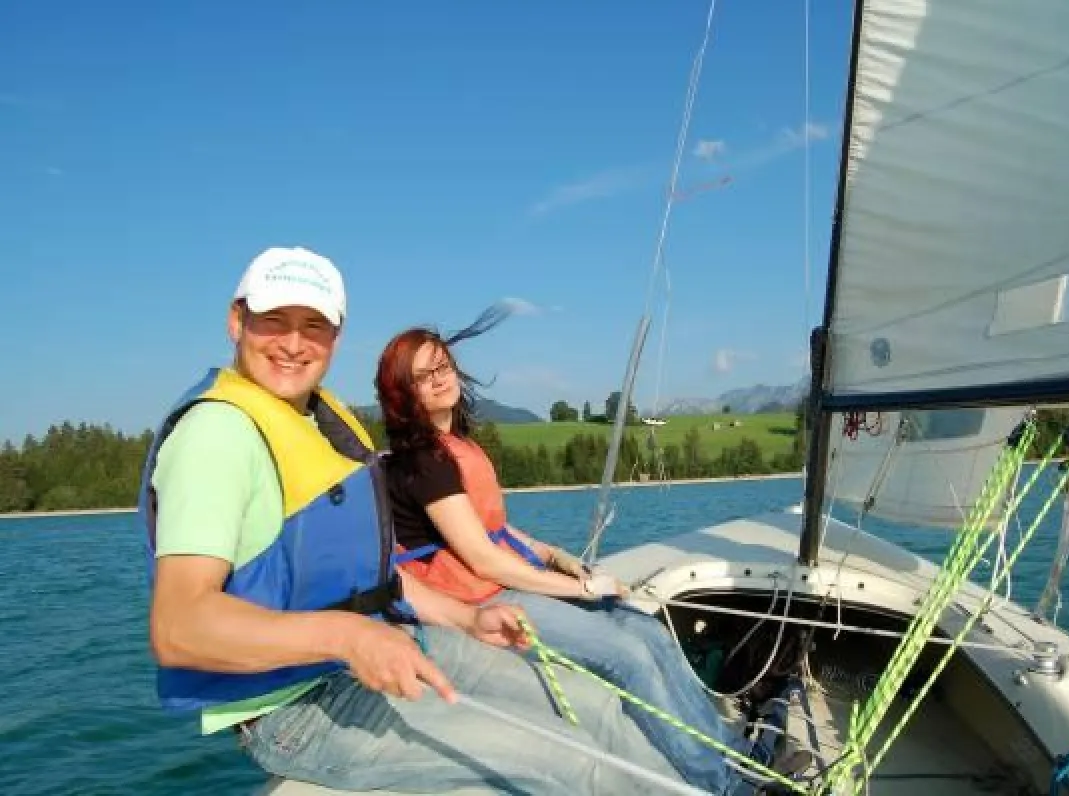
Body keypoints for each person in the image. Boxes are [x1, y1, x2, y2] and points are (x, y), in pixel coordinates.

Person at [139, 246, 697, 795]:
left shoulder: (318, 424)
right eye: (273, 321)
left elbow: (372, 576)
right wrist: (347, 636)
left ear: (336, 336)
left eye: (314, 326)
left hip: (391, 646)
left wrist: (464, 619)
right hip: (298, 707)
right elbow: (179, 628)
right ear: (237, 321)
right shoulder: (217, 437)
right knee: (577, 766)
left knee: (596, 711)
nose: (293, 343)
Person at [375, 325, 795, 795]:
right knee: (628, 657)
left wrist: (555, 555)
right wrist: (582, 589)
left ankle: (737, 757)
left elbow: (494, 528)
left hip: (503, 582)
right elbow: (483, 559)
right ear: (401, 395)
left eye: (442, 365)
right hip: (483, 599)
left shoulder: (456, 446)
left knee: (650, 632)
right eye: (421, 376)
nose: (438, 378)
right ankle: (725, 785)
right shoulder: (423, 462)